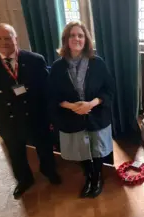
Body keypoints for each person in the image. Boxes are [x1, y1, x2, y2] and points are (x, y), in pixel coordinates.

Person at [0, 24, 61, 199]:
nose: (4, 42)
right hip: (9, 117)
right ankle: (24, 180)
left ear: (16, 39)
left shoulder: (35, 60)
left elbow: (44, 88)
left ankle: (49, 171)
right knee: (15, 151)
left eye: (8, 37)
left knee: (44, 147)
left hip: (36, 114)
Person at [48, 21, 115, 198]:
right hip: (71, 117)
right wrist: (72, 106)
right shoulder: (57, 67)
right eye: (72, 35)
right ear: (66, 39)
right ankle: (89, 177)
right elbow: (52, 95)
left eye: (80, 35)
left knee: (97, 149)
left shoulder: (98, 63)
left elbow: (108, 90)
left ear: (86, 39)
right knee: (82, 150)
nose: (76, 38)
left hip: (96, 114)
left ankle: (98, 177)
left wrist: (91, 104)